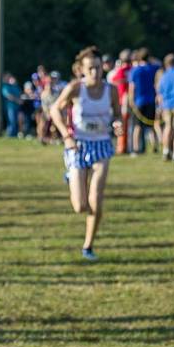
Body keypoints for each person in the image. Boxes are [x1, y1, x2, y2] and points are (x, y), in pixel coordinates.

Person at [49, 46, 122, 261]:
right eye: (90, 69)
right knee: (80, 205)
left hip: (101, 145)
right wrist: (66, 135)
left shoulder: (111, 90)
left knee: (96, 200)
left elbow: (117, 113)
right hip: (78, 145)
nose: (95, 73)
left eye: (98, 68)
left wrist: (117, 124)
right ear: (81, 70)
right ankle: (71, 175)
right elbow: (54, 109)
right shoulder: (75, 88)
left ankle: (88, 246)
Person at [128, 48, 160, 154]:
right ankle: (154, 146)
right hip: (151, 101)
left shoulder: (135, 70)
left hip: (139, 101)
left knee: (137, 126)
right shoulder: (152, 68)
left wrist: (131, 101)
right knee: (151, 126)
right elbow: (159, 63)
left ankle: (136, 148)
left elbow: (132, 87)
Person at [1, 73, 21, 138]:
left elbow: (20, 95)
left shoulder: (16, 87)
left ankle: (14, 134)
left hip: (17, 107)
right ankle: (10, 135)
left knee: (15, 121)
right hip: (10, 107)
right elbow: (8, 96)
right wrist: (17, 100)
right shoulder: (5, 86)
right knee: (11, 121)